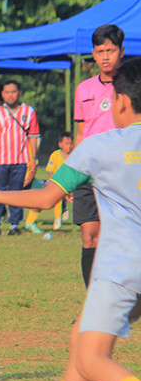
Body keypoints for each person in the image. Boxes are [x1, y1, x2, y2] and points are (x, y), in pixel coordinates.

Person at [0, 56, 141, 381]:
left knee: (91, 358)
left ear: (118, 102)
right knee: (80, 336)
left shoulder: (99, 147)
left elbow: (47, 198)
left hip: (121, 270)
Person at [73, 24, 125, 284]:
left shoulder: (133, 85)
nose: (106, 56)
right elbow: (81, 135)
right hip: (89, 171)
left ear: (121, 51)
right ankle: (94, 308)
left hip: (122, 171)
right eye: (100, 51)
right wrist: (73, 173)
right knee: (89, 236)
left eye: (111, 50)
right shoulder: (83, 89)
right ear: (93, 54)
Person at [0, 79, 40, 236]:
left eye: (13, 92)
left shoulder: (29, 112)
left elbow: (33, 137)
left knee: (16, 194)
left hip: (21, 160)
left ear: (19, 93)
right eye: (7, 92)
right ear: (2, 94)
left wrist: (33, 159)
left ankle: (14, 225)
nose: (10, 95)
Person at [24, 131, 73, 233]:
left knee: (43, 197)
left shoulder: (74, 156)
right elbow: (48, 171)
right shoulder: (55, 155)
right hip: (27, 179)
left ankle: (29, 222)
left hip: (32, 179)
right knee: (46, 196)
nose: (69, 146)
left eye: (70, 144)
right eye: (66, 144)